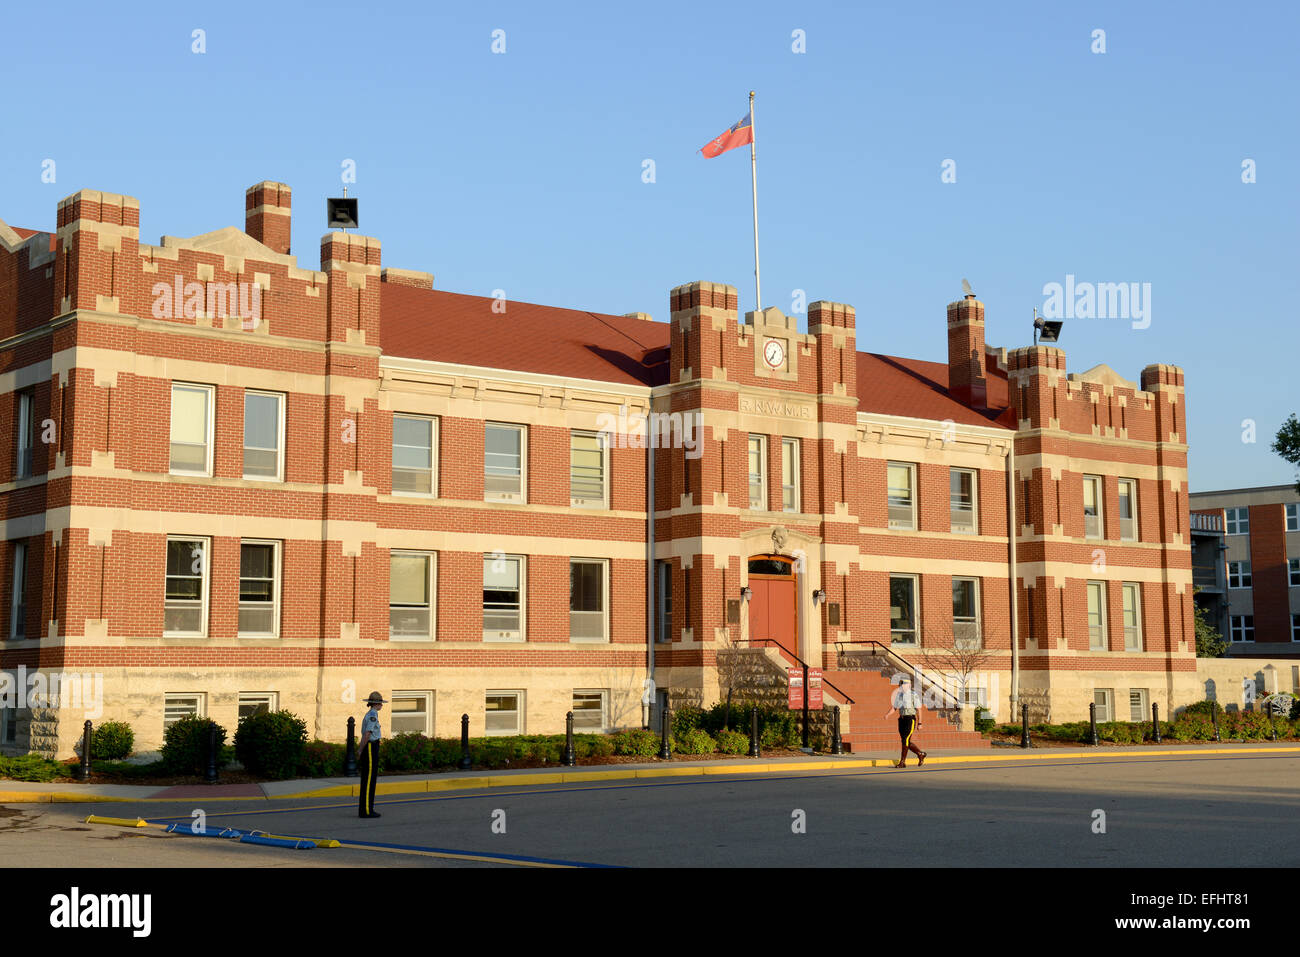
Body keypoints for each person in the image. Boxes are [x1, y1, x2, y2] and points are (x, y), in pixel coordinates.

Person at [883, 675, 927, 768]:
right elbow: (895, 707)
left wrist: (920, 723)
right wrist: (887, 714)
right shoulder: (899, 695)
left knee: (905, 740)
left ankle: (902, 762)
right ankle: (920, 754)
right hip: (902, 719)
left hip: (910, 719)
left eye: (903, 684)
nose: (901, 686)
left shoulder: (913, 695)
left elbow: (919, 709)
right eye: (901, 684)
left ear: (908, 685)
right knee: (905, 740)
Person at [357, 691, 386, 818]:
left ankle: (365, 809)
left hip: (371, 746)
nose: (382, 705)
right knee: (369, 780)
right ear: (376, 703)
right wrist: (360, 749)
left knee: (368, 778)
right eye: (380, 703)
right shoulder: (373, 715)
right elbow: (368, 733)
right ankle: (367, 810)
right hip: (370, 746)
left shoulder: (371, 714)